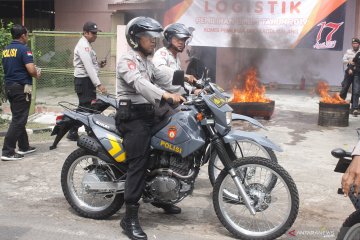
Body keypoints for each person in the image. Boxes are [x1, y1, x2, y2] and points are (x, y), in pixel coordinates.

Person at [116, 17, 185, 240]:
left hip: (150, 112)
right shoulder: (127, 60)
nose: (154, 41)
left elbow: (163, 77)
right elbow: (139, 83)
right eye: (149, 37)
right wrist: (164, 95)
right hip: (132, 116)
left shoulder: (148, 61)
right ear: (136, 39)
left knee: (174, 139)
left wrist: (191, 86)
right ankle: (129, 219)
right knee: (140, 161)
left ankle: (162, 195)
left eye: (155, 37)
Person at [1, 24, 41, 161]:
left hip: (10, 87)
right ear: (23, 35)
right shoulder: (24, 49)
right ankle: (7, 151)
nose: (28, 37)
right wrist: (36, 74)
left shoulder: (6, 49)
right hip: (21, 88)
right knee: (19, 119)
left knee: (19, 117)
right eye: (27, 34)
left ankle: (24, 146)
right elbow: (30, 69)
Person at [67, 21, 107, 141]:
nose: (95, 35)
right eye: (93, 33)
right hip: (84, 81)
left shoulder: (87, 45)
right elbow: (88, 67)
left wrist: (99, 64)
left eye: (96, 33)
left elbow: (90, 65)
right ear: (85, 33)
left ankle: (73, 130)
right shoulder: (83, 45)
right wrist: (99, 84)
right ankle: (88, 132)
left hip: (86, 81)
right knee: (87, 108)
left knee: (84, 108)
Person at [152, 23, 201, 95]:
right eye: (177, 38)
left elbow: (178, 82)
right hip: (163, 99)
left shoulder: (176, 58)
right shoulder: (162, 53)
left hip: (175, 98)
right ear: (168, 39)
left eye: (183, 39)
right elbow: (159, 68)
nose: (181, 42)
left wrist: (193, 89)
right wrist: (184, 76)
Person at [339, 38, 360, 103]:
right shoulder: (348, 51)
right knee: (345, 87)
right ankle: (340, 102)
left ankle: (353, 106)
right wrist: (349, 61)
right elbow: (343, 60)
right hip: (349, 71)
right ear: (352, 44)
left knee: (355, 90)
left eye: (356, 43)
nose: (355, 45)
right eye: (353, 43)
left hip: (358, 72)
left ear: (359, 44)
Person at [351, 49, 360, 116]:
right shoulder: (358, 54)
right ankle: (355, 109)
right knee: (356, 91)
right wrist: (351, 68)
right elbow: (353, 62)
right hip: (357, 75)